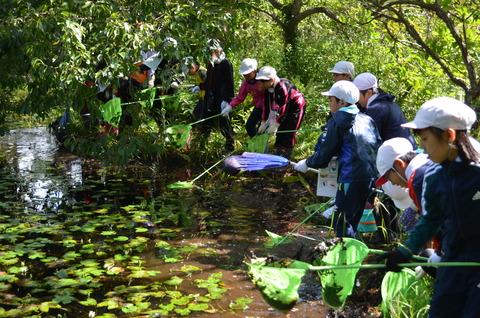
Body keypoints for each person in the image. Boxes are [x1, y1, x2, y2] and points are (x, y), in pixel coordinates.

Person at [379, 97, 480, 318]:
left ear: (449, 135)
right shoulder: (435, 175)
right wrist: (404, 251)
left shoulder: (477, 172)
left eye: (425, 138)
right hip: (452, 263)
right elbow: (431, 219)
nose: (422, 146)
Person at [294, 80, 382, 238]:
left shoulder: (338, 120)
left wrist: (307, 163)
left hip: (351, 177)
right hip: (370, 177)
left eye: (330, 99)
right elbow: (377, 144)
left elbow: (324, 155)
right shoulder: (367, 119)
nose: (329, 103)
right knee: (353, 220)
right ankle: (355, 256)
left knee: (342, 222)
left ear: (342, 102)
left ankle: (345, 259)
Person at [255, 66, 306, 159]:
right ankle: (277, 155)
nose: (262, 84)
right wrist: (263, 121)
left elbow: (284, 107)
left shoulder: (283, 87)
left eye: (264, 81)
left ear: (272, 79)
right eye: (261, 81)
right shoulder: (268, 89)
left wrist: (276, 124)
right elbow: (266, 105)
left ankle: (286, 157)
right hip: (283, 110)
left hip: (296, 108)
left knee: (289, 131)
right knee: (280, 132)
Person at [353, 72, 416, 147]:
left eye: (357, 94)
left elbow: (369, 144)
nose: (356, 99)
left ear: (369, 93)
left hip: (399, 156)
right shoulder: (389, 103)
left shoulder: (375, 109)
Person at [198, 39, 235, 151]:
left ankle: (229, 146)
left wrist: (227, 100)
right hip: (211, 97)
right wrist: (201, 86)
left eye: (212, 51)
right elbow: (209, 81)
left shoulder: (225, 63)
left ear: (218, 50)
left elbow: (230, 82)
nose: (210, 54)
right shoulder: (211, 64)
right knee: (206, 119)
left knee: (224, 122)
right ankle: (202, 147)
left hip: (222, 97)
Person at [220, 58, 264, 138]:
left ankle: (264, 148)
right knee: (249, 126)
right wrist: (229, 106)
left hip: (269, 107)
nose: (245, 75)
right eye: (244, 74)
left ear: (255, 70)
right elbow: (240, 97)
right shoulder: (246, 83)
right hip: (258, 107)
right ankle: (256, 142)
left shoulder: (263, 80)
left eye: (247, 73)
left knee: (262, 129)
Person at [183, 57, 207, 121]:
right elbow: (200, 82)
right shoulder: (196, 73)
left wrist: (200, 87)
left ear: (193, 67)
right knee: (196, 113)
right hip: (202, 97)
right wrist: (195, 87)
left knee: (201, 115)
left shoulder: (202, 72)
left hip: (207, 97)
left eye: (188, 72)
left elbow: (210, 84)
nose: (188, 74)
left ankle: (202, 129)